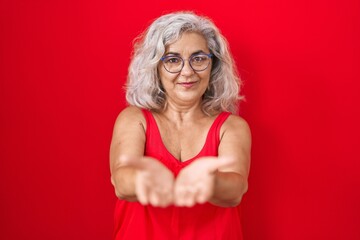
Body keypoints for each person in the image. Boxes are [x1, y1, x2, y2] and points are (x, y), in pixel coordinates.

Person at [110, 11, 251, 240]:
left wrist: (207, 181)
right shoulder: (133, 119)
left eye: (198, 58)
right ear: (155, 67)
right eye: (173, 60)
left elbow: (235, 190)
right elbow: (122, 183)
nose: (187, 72)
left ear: (213, 65)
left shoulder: (232, 127)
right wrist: (150, 180)